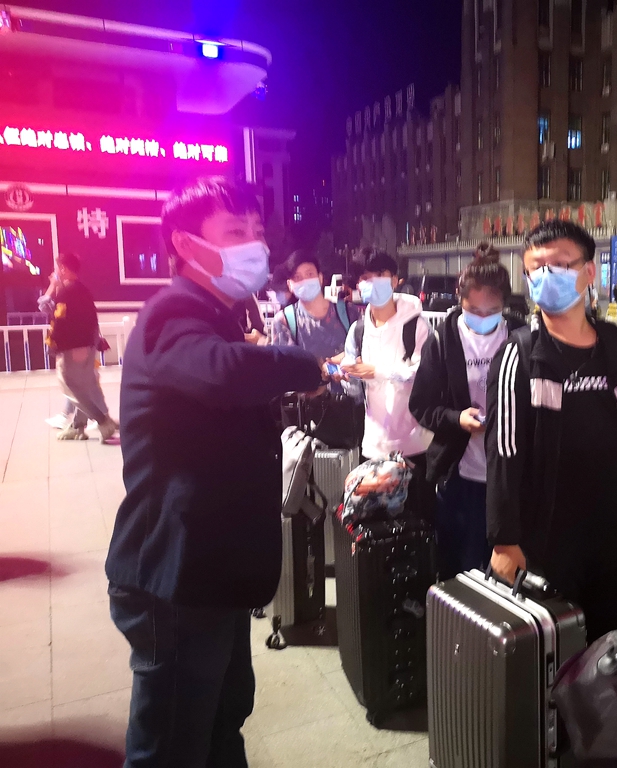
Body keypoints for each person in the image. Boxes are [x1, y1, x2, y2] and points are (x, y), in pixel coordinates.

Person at [105, 177, 324, 768]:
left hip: (211, 572)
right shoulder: (171, 312)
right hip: (175, 577)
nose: (255, 244)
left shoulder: (220, 314)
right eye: (234, 231)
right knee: (174, 746)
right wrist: (303, 365)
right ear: (185, 244)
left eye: (256, 231)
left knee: (222, 725)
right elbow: (221, 372)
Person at [486, 221, 617, 642]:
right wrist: (504, 541)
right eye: (535, 269)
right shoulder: (519, 355)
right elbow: (504, 454)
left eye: (559, 265)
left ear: (589, 272)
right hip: (549, 545)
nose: (545, 276)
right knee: (561, 653)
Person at [409, 244, 526, 579]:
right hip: (461, 478)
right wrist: (456, 419)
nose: (483, 318)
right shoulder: (443, 339)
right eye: (474, 310)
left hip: (509, 479)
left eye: (493, 311)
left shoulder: (519, 335)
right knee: (460, 568)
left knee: (508, 572)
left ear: (505, 307)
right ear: (460, 301)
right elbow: (421, 405)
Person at [329, 250, 434, 520]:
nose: (373, 282)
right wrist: (346, 376)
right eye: (366, 277)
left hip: (415, 445)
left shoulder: (417, 326)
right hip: (374, 446)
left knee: (417, 523)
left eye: (380, 275)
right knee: (375, 526)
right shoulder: (358, 330)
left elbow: (425, 374)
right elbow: (357, 390)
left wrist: (376, 371)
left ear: (395, 280)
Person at [38, 252, 118, 442]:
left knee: (70, 387)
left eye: (57, 268)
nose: (55, 273)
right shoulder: (83, 290)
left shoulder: (66, 291)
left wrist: (52, 343)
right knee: (84, 387)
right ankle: (78, 427)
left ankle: (102, 421)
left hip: (71, 348)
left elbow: (58, 319)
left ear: (63, 269)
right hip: (88, 346)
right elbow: (92, 320)